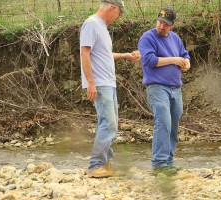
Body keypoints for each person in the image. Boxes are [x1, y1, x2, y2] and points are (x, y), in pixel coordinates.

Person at [80, 0, 140, 178]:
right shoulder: (91, 24)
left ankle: (104, 163)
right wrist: (91, 82)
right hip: (100, 82)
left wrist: (126, 56)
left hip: (108, 82)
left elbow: (104, 55)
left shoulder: (101, 27)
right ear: (113, 8)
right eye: (119, 13)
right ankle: (96, 165)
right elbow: (84, 53)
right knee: (109, 123)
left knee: (108, 123)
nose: (118, 17)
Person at [138, 7, 191, 170]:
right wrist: (174, 60)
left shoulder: (175, 38)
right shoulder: (147, 37)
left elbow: (185, 54)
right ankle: (160, 163)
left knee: (173, 124)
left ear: (172, 25)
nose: (161, 26)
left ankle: (168, 161)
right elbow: (149, 60)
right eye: (159, 22)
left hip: (176, 88)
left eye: (165, 24)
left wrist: (187, 63)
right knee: (163, 122)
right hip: (157, 87)